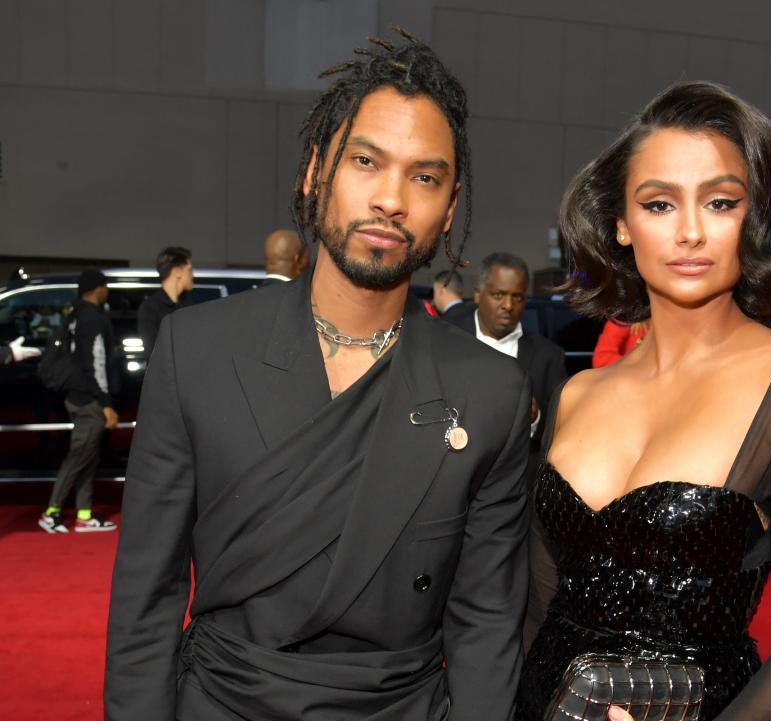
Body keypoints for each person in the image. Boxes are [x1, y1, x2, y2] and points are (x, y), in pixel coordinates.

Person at [105, 29, 531, 721]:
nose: (392, 199)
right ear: (314, 172)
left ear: (449, 208)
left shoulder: (491, 393)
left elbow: (486, 622)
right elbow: (144, 599)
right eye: (366, 160)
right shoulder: (198, 350)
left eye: (425, 176)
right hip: (221, 700)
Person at [516, 82, 771, 721]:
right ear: (621, 225)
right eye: (658, 203)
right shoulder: (579, 393)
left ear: (752, 216)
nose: (688, 231)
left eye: (719, 201)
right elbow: (542, 602)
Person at [453, 252, 567, 447]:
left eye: (518, 297)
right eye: (499, 295)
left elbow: (563, 427)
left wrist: (535, 418)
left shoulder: (548, 356)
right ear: (478, 295)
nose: (508, 305)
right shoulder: (449, 343)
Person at [38, 269, 119, 534]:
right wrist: (105, 402)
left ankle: (84, 513)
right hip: (89, 400)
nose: (107, 289)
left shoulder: (74, 316)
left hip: (77, 396)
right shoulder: (92, 318)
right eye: (105, 285)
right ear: (97, 288)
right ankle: (52, 512)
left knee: (88, 456)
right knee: (79, 457)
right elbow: (95, 363)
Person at [137, 246, 193, 358]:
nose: (193, 275)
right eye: (190, 270)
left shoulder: (189, 306)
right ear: (177, 272)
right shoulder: (150, 308)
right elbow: (152, 352)